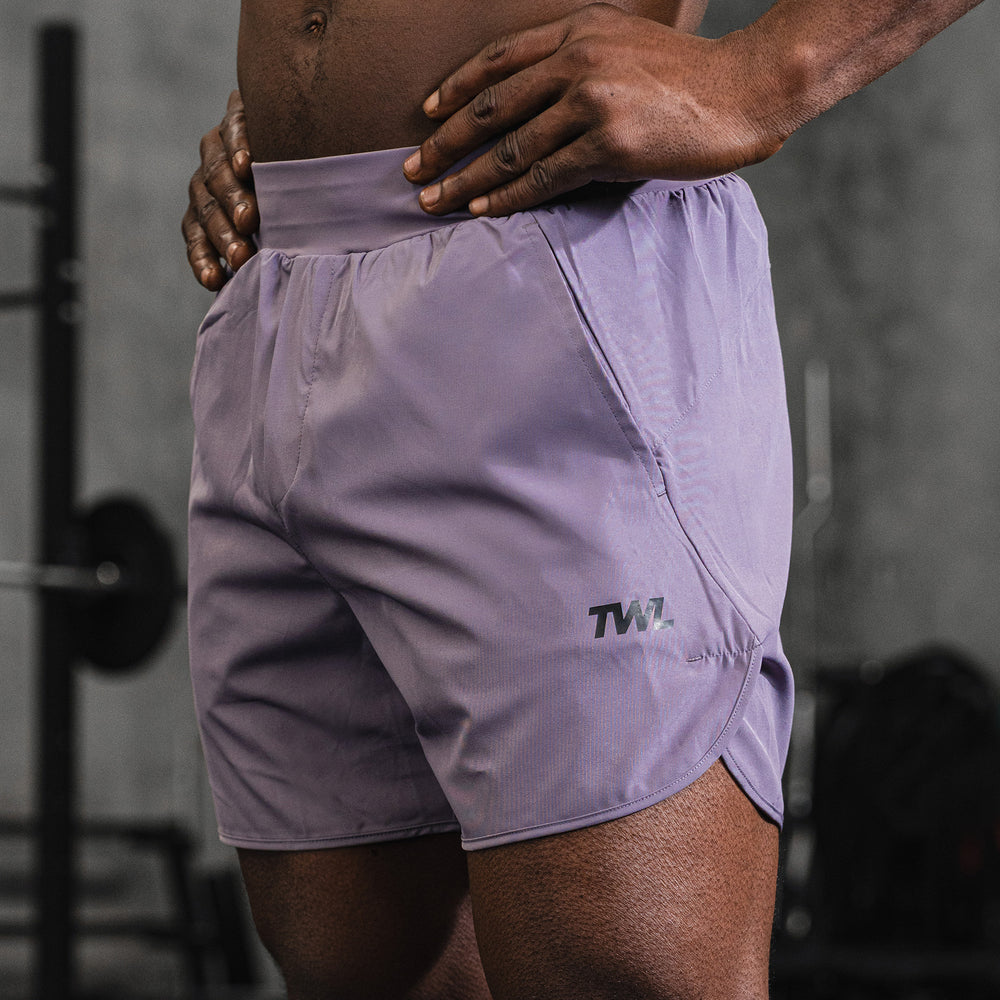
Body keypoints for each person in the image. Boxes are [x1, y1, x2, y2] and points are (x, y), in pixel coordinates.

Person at [182, 2, 982, 997]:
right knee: (355, 965)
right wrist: (300, 105)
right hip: (279, 289)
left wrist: (763, 75)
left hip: (547, 262)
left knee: (617, 970)